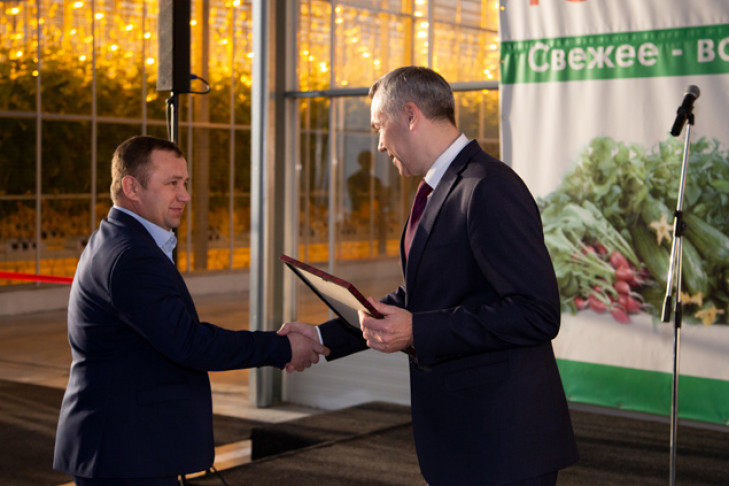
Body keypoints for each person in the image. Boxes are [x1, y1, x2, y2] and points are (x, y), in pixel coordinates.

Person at [279, 66, 578, 485]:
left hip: (502, 444)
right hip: (469, 438)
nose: (379, 144)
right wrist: (321, 336)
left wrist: (419, 330)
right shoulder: (440, 188)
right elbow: (420, 296)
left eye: (379, 127)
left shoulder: (488, 187)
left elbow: (537, 313)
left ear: (410, 115)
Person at [53, 135, 329, 485]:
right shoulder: (132, 256)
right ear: (131, 187)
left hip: (127, 447)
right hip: (127, 454)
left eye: (184, 183)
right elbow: (190, 343)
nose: (184, 195)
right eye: (172, 183)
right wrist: (283, 347)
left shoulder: (117, 239)